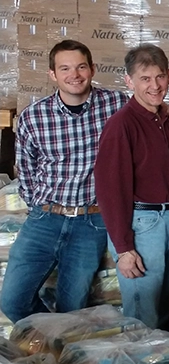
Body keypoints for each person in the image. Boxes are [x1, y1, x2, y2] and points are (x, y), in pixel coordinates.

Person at [1, 40, 127, 322]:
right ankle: (53, 339)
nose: (75, 74)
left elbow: (148, 111)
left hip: (91, 222)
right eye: (65, 68)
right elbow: (26, 170)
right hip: (44, 220)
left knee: (74, 308)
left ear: (92, 69)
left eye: (81, 66)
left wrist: (165, 112)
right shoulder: (33, 117)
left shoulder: (117, 105)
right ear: (53, 74)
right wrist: (40, 205)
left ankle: (64, 348)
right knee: (12, 301)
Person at [94, 44, 169, 329]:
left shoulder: (165, 122)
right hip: (142, 225)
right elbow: (110, 190)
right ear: (129, 81)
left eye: (159, 77)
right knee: (143, 316)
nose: (155, 86)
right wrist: (123, 248)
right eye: (145, 79)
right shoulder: (121, 125)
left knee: (163, 308)